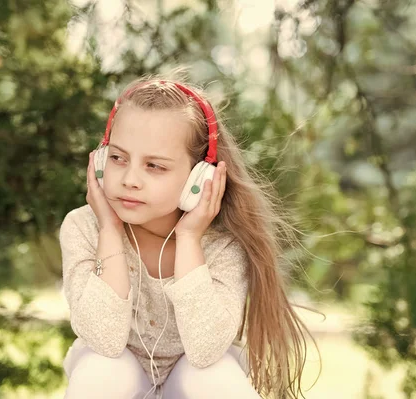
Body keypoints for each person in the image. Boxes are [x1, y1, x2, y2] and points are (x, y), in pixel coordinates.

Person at [59, 75, 311, 398]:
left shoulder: (222, 245)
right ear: (101, 162)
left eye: (154, 166)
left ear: (199, 178)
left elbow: (205, 351)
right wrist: (109, 229)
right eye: (119, 158)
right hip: (113, 374)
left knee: (211, 375)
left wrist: (190, 239)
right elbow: (105, 339)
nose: (130, 179)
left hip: (190, 379)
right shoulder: (83, 227)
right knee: (103, 370)